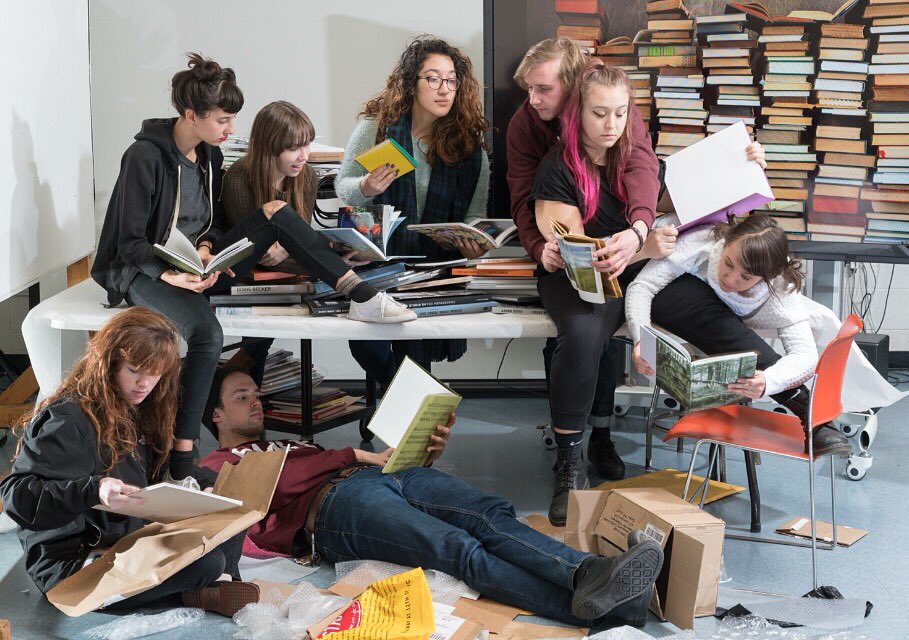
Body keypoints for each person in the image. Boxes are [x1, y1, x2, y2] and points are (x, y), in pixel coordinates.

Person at [91, 53, 415, 479]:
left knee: (275, 212)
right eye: (223, 120)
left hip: (195, 263)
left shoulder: (208, 156)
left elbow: (211, 222)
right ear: (191, 115)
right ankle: (182, 461)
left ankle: (361, 294)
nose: (230, 129)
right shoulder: (144, 156)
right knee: (207, 334)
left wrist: (207, 247)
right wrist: (171, 273)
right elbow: (129, 242)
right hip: (143, 271)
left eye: (231, 119)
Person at [199, 366, 664, 629]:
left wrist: (422, 450)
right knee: (456, 548)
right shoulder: (216, 465)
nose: (256, 402)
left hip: (386, 475)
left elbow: (326, 463)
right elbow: (274, 489)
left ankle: (586, 571)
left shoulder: (291, 443)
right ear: (215, 415)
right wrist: (354, 453)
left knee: (490, 515)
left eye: (256, 394)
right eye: (242, 397)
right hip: (336, 508)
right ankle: (607, 610)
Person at [0, 308, 259, 616]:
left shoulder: (138, 408)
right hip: (74, 563)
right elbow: (16, 495)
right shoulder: (67, 419)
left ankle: (215, 584)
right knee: (208, 562)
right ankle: (206, 587)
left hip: (126, 541)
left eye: (154, 373)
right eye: (135, 370)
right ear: (109, 363)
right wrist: (94, 490)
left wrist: (210, 486)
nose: (144, 384)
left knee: (234, 506)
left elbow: (156, 471)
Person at [507, 37, 674, 483]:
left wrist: (639, 231)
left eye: (543, 89)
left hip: (623, 247)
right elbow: (522, 197)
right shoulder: (527, 126)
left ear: (574, 86)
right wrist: (539, 247)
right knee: (583, 331)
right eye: (529, 89)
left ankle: (601, 435)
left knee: (613, 329)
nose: (532, 99)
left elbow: (642, 165)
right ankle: (571, 452)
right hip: (566, 253)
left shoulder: (610, 99)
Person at [625, 214, 891, 455]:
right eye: (728, 264)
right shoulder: (705, 240)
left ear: (767, 277)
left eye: (746, 277)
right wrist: (640, 339)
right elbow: (643, 285)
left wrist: (769, 380)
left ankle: (815, 417)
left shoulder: (781, 291)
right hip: (664, 285)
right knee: (717, 321)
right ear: (727, 242)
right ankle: (813, 416)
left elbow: (805, 356)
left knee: (731, 333)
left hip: (722, 322)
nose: (730, 278)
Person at [335, 35, 490, 387]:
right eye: (433, 79)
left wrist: (474, 242)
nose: (444, 89)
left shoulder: (469, 149)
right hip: (379, 262)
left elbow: (474, 216)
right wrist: (366, 187)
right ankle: (409, 393)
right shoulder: (376, 129)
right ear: (411, 82)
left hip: (435, 268)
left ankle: (408, 405)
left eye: (451, 80)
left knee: (415, 349)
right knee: (363, 341)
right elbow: (344, 186)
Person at [220, 100, 385, 382]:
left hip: (290, 271)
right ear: (269, 147)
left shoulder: (305, 176)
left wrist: (324, 249)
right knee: (261, 336)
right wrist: (299, 247)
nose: (304, 156)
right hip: (247, 274)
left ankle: (392, 382)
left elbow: (296, 237)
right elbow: (261, 251)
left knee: (364, 315)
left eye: (307, 145)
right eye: (294, 148)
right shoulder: (237, 178)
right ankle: (241, 386)